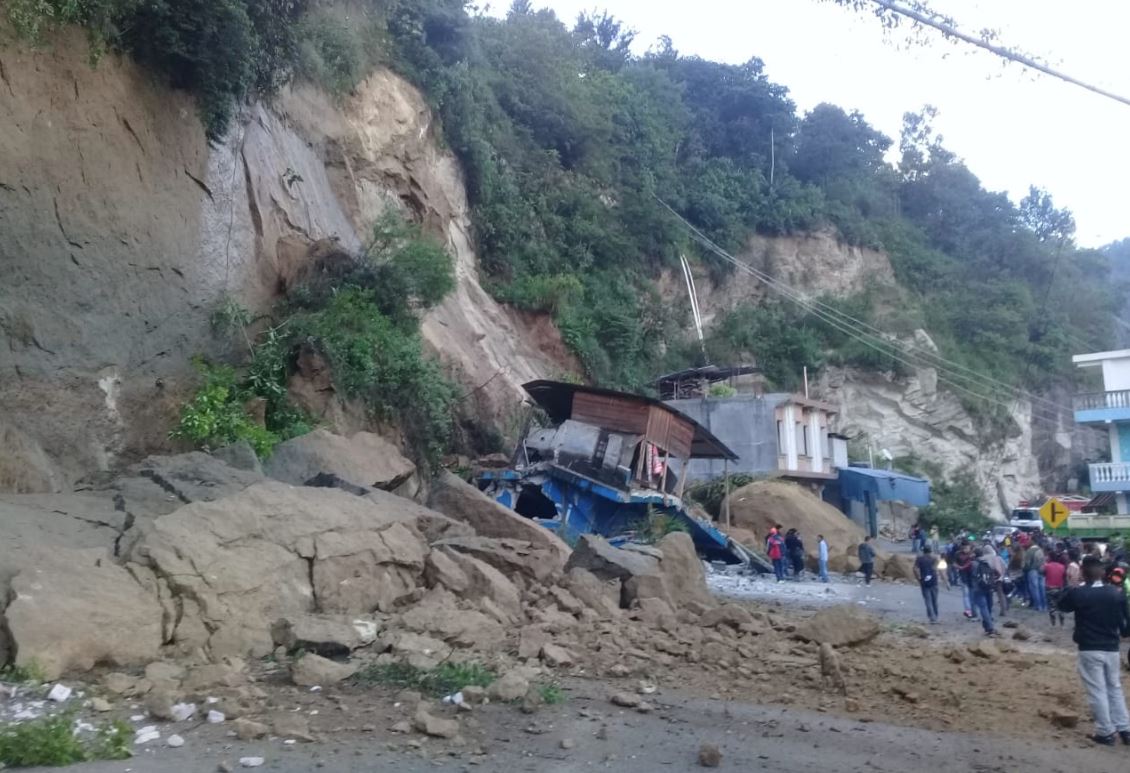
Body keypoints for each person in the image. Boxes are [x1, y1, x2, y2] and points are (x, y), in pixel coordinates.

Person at [1056, 555, 1130, 746]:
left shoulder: (1079, 593)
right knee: (1114, 688)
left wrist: (1074, 586)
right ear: (1103, 573)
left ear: (1083, 573)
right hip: (1112, 648)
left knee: (1097, 691)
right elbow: (1126, 625)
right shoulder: (1116, 593)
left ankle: (1105, 732)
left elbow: (1062, 605)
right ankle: (1125, 729)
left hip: (1089, 647)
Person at [971, 545, 1000, 636]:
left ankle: (990, 628)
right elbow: (997, 572)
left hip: (977, 588)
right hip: (988, 587)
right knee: (988, 607)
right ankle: (988, 626)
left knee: (983, 608)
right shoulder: (987, 562)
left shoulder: (973, 563)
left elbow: (970, 576)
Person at [914, 545, 942, 624]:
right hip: (934, 581)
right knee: (934, 600)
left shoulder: (919, 559)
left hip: (924, 582)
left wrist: (918, 579)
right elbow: (938, 569)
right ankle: (935, 616)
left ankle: (932, 617)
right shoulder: (935, 558)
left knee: (928, 600)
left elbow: (915, 569)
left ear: (923, 551)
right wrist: (945, 581)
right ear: (931, 551)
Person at [1023, 540, 1047, 612]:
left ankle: (1038, 606)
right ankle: (1044, 606)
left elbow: (1027, 564)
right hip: (1041, 570)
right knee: (1042, 588)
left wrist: (1025, 569)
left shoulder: (1029, 551)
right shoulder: (1041, 550)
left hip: (1032, 570)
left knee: (1034, 589)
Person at [1045, 551, 1067, 626]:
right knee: (1061, 606)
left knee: (1052, 607)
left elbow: (1042, 572)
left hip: (1050, 588)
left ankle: (1053, 624)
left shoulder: (1047, 566)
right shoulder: (1062, 566)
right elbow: (1064, 577)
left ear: (1050, 557)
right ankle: (1062, 624)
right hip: (1059, 588)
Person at [956, 542, 976, 619]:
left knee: (971, 594)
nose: (965, 549)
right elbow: (954, 563)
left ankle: (972, 610)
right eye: (964, 548)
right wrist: (958, 567)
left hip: (971, 576)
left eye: (967, 548)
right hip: (963, 576)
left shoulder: (973, 555)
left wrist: (961, 567)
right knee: (966, 594)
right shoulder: (958, 554)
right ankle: (968, 610)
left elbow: (970, 563)